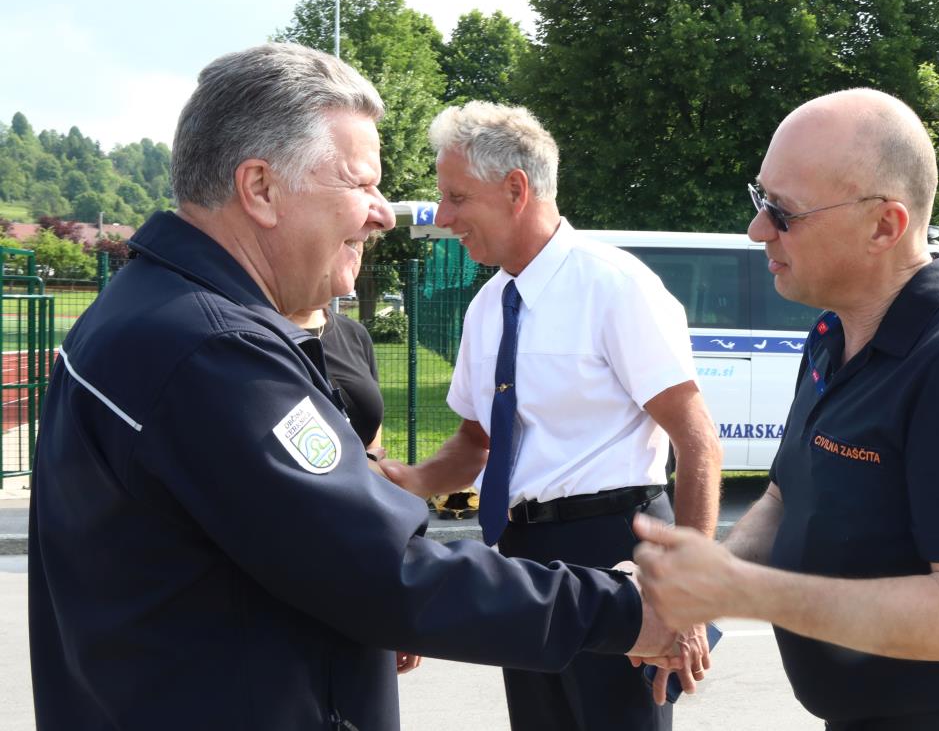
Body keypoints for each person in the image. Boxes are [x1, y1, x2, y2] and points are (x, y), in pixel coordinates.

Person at [26, 43, 692, 731]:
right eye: (361, 184)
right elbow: (386, 571)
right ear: (260, 189)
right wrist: (627, 610)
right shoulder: (213, 351)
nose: (383, 213)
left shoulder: (151, 311)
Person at [632, 88, 939, 731]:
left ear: (885, 226)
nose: (757, 230)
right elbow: (784, 498)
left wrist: (742, 590)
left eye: (784, 212)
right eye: (760, 200)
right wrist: (698, 589)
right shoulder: (833, 334)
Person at [381, 101, 723, 729]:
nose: (444, 217)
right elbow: (476, 441)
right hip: (523, 561)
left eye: (457, 197)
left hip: (616, 551)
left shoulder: (615, 286)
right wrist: (412, 480)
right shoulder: (487, 306)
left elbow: (697, 440)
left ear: (516, 189)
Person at [286, 301, 420, 675]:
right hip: (296, 548)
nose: (354, 272)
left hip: (359, 539)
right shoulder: (256, 336)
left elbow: (372, 442)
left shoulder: (353, 334)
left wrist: (399, 605)